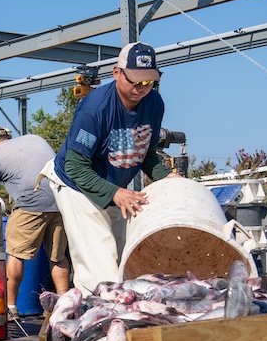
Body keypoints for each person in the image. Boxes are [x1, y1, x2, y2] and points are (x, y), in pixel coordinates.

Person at [42, 41, 172, 293]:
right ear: (116, 73)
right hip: (75, 185)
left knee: (127, 258)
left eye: (148, 82)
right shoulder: (95, 109)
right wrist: (115, 192)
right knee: (100, 268)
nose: (140, 88)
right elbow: (76, 166)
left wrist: (168, 179)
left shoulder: (154, 103)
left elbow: (146, 153)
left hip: (112, 186)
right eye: (134, 80)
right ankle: (94, 319)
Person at [0, 124, 71, 317]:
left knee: (16, 253)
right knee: (57, 256)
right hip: (60, 201)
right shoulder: (34, 138)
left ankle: (10, 308)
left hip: (30, 204)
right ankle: (65, 306)